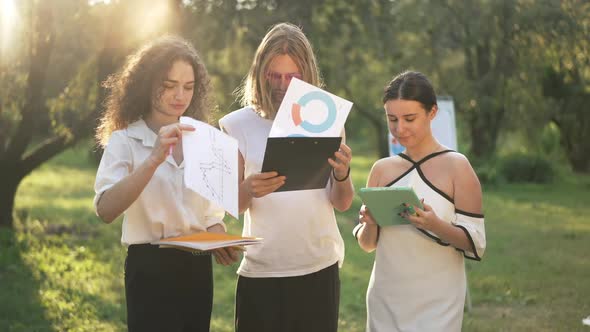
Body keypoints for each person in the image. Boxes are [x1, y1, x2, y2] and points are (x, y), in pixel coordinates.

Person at [93, 36, 238, 332]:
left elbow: (211, 218)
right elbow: (105, 209)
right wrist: (153, 159)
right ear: (147, 83)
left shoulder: (205, 140)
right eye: (169, 85)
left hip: (197, 270)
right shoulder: (125, 140)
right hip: (149, 270)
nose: (179, 95)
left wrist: (220, 241)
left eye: (188, 87)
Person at [218, 23, 354, 332]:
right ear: (260, 73)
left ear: (307, 75)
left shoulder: (327, 120)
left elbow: (342, 202)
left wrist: (342, 174)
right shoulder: (237, 125)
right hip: (261, 272)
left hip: (318, 267)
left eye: (292, 76)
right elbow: (232, 207)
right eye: (273, 75)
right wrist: (248, 188)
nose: (282, 85)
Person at [354, 71, 486, 332]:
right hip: (385, 299)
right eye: (392, 119)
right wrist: (369, 224)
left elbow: (477, 244)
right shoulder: (381, 170)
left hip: (438, 302)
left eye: (409, 118)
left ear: (432, 113)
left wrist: (434, 224)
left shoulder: (458, 167)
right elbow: (368, 244)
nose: (399, 128)